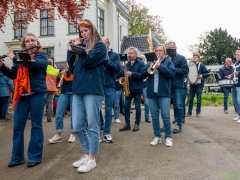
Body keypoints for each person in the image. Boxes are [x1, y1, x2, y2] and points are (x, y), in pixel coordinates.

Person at [0, 32, 48, 168]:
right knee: (17, 127)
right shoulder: (20, 58)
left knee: (36, 125)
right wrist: (2, 66)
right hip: (22, 95)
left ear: (37, 43)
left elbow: (33, 65)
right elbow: (12, 74)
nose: (31, 43)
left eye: (33, 40)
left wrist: (14, 58)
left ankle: (35, 157)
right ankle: (17, 157)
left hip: (37, 94)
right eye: (28, 41)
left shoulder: (42, 56)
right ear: (24, 44)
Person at [70, 19, 108, 173]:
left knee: (92, 125)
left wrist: (79, 48)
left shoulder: (100, 45)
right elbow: (72, 67)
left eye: (85, 30)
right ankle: (87, 154)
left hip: (92, 89)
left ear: (92, 29)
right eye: (81, 31)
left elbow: (89, 62)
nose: (83, 33)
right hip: (78, 89)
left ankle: (92, 158)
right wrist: (71, 50)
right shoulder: (83, 47)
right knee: (77, 126)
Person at [142, 44, 175, 147]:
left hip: (164, 93)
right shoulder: (150, 62)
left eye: (160, 50)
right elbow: (143, 74)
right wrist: (149, 66)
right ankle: (157, 136)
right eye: (157, 51)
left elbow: (171, 74)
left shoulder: (168, 62)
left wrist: (160, 67)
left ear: (164, 52)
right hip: (152, 93)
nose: (158, 52)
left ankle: (168, 137)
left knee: (165, 115)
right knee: (154, 116)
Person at [99, 37, 122, 143]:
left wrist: (107, 60)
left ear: (108, 43)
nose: (102, 45)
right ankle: (98, 132)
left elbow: (118, 69)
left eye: (104, 43)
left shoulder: (115, 55)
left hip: (110, 85)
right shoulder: (97, 53)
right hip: (98, 85)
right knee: (96, 109)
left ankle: (107, 133)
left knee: (108, 110)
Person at [48, 61, 76, 144]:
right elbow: (57, 80)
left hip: (74, 92)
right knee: (59, 112)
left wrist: (69, 70)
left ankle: (73, 133)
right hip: (64, 93)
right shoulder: (62, 69)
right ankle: (58, 134)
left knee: (74, 114)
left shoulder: (75, 67)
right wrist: (60, 74)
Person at [119, 46, 145, 132]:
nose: (129, 55)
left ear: (136, 54)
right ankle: (127, 124)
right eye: (129, 53)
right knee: (126, 106)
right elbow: (124, 75)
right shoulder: (126, 64)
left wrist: (132, 74)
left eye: (131, 53)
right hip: (128, 88)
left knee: (137, 106)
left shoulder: (140, 63)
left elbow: (142, 75)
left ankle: (137, 123)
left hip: (137, 88)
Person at [166, 41, 189, 134]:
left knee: (179, 105)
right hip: (167, 85)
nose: (171, 48)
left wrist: (173, 69)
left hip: (177, 85)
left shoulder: (181, 58)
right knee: (165, 106)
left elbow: (185, 70)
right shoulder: (166, 59)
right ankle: (165, 125)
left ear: (176, 48)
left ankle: (179, 124)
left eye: (172, 47)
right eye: (169, 47)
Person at [139, 54, 151, 123]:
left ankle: (147, 117)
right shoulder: (137, 65)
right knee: (138, 103)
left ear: (145, 60)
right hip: (138, 85)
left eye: (142, 59)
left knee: (146, 102)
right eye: (140, 59)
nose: (141, 60)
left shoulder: (147, 66)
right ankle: (138, 118)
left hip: (145, 85)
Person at [232, 50, 240, 122]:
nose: (236, 56)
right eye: (236, 54)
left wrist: (238, 73)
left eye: (238, 54)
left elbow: (238, 73)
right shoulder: (235, 64)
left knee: (239, 100)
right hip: (234, 83)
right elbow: (234, 73)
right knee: (234, 100)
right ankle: (239, 115)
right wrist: (230, 75)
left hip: (239, 84)